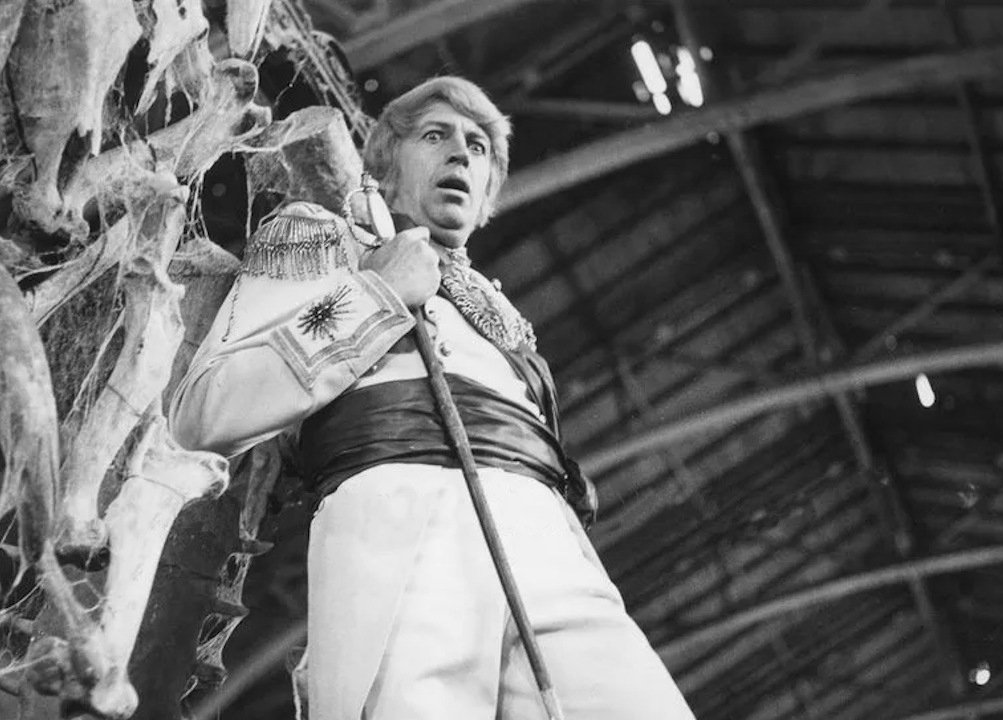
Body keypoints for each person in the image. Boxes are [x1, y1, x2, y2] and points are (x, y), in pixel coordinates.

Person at [168, 76, 695, 720]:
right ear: (387, 168)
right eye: (435, 135)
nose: (460, 154)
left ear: (488, 191)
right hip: (401, 525)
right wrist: (375, 295)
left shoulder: (506, 318)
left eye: (478, 146)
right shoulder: (322, 239)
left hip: (546, 542)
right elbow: (204, 412)